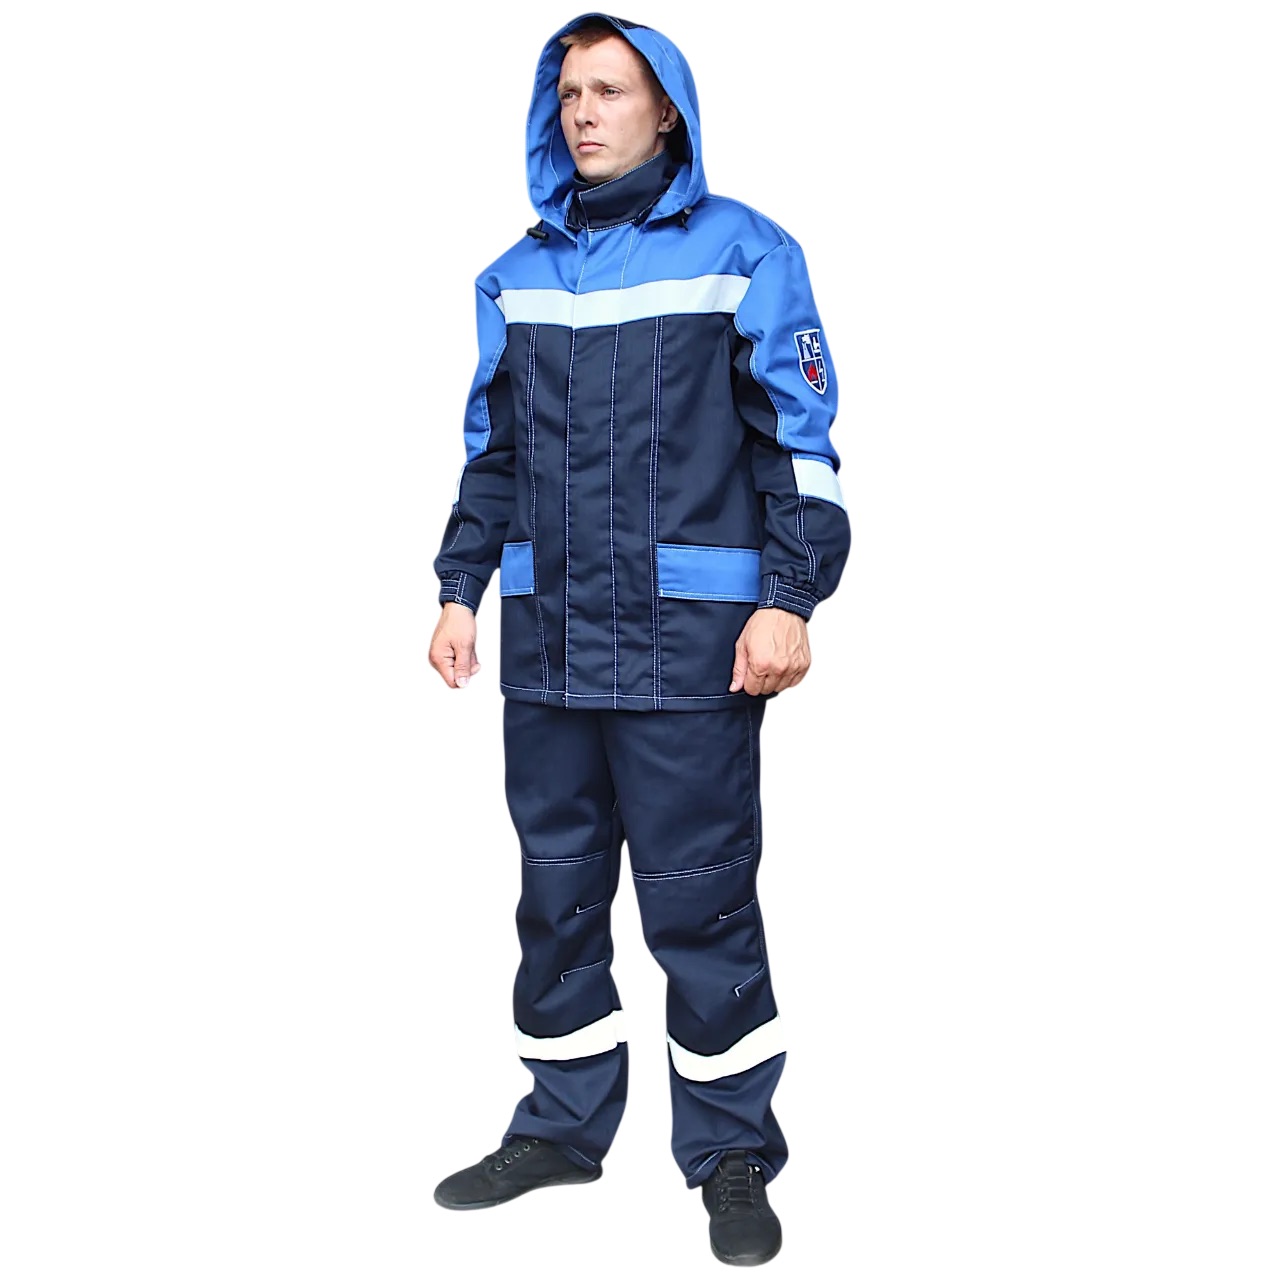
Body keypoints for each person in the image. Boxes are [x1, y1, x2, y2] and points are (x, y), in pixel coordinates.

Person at [427, 12, 850, 1267]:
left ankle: (730, 1151)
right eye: (568, 92)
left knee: (696, 899)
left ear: (665, 108)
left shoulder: (744, 252)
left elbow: (798, 444)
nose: (583, 113)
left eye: (609, 90)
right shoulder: (512, 275)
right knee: (555, 896)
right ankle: (560, 1126)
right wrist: (458, 587)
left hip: (688, 646)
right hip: (550, 646)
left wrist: (791, 597)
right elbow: (492, 454)